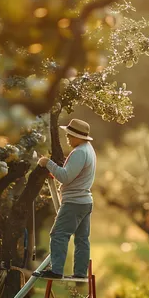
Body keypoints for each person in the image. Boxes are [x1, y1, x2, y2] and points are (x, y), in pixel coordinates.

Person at [32, 119, 97, 279]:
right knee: (82, 239)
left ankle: (56, 271)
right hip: (85, 201)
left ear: (78, 137)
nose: (67, 137)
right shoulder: (89, 149)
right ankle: (81, 273)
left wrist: (48, 163)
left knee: (58, 234)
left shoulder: (80, 152)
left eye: (70, 135)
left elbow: (66, 177)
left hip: (74, 202)